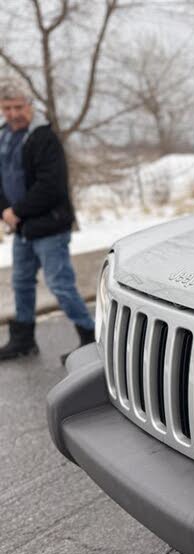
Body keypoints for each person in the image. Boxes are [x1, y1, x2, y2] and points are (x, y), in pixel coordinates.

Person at [0, 78, 94, 361]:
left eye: (19, 106)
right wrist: (5, 210)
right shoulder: (3, 136)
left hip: (50, 226)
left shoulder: (44, 137)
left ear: (30, 105)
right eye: (7, 108)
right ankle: (24, 340)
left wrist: (16, 212)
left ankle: (90, 339)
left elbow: (51, 186)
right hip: (23, 228)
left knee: (60, 284)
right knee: (21, 282)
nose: (14, 113)